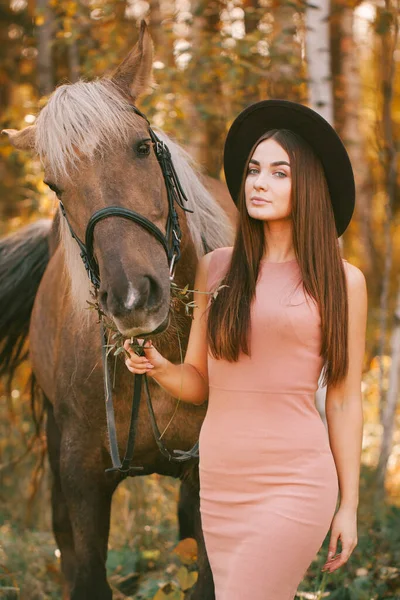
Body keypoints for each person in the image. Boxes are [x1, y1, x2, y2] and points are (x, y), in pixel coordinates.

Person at [124, 100, 367, 600]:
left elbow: (344, 397)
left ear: (311, 187)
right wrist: (158, 367)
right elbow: (199, 383)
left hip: (295, 481)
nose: (259, 182)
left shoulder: (344, 282)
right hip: (221, 482)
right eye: (254, 170)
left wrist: (349, 504)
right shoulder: (217, 270)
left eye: (280, 172)